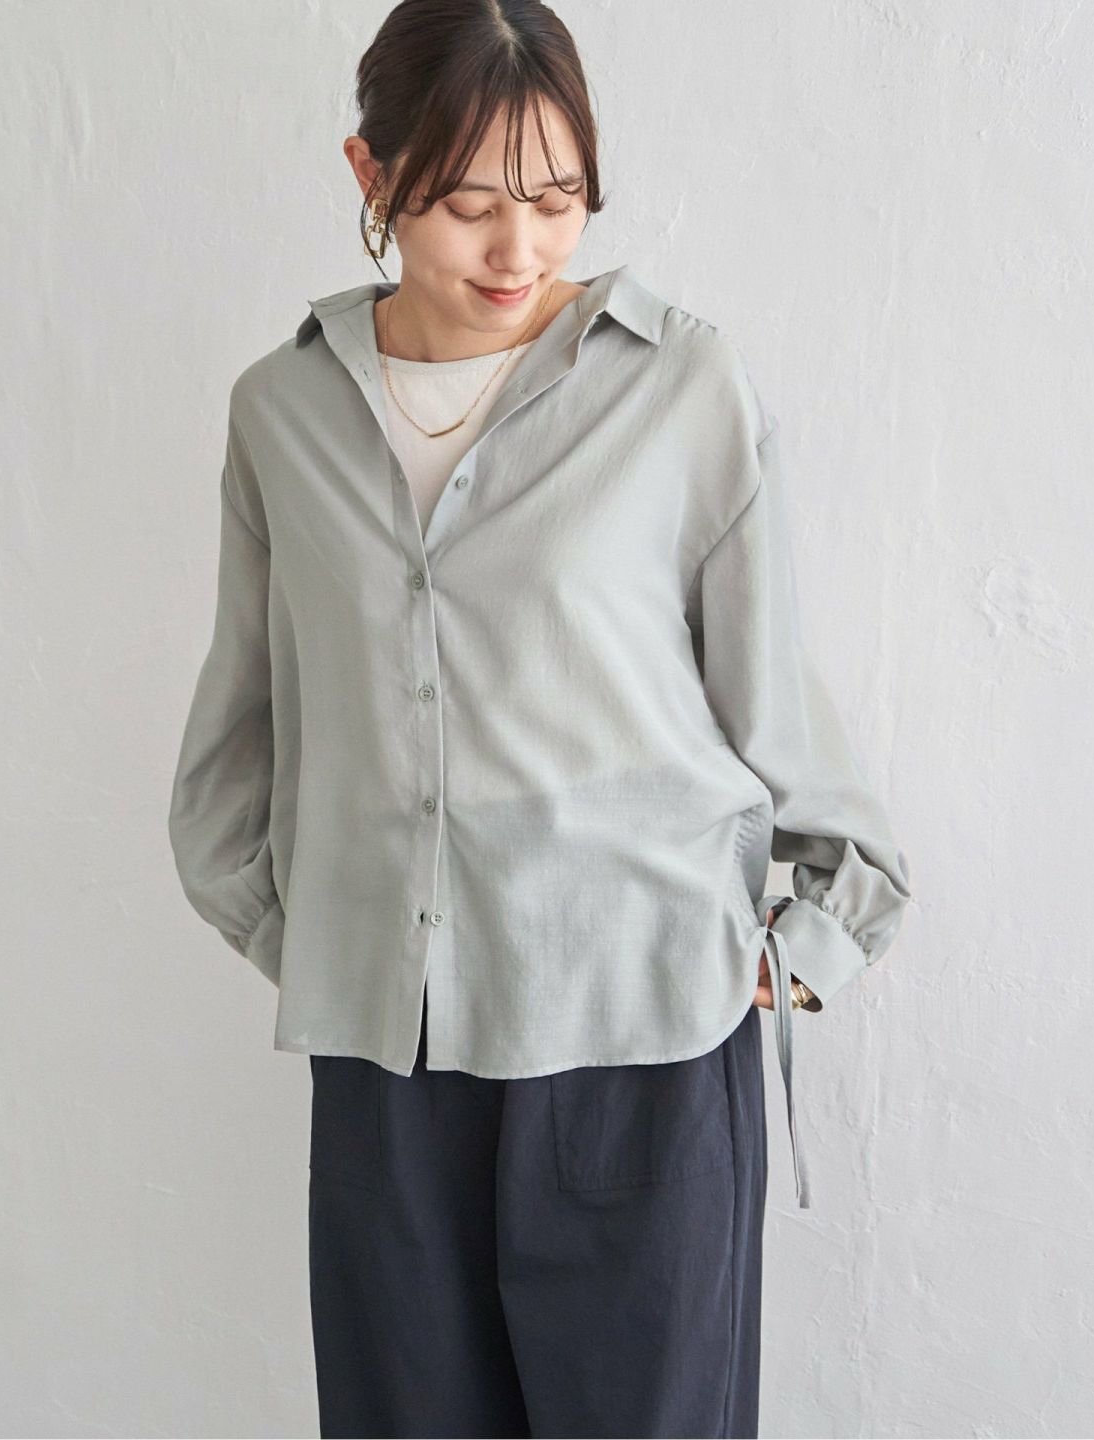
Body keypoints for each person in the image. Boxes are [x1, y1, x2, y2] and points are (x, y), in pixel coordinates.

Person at [167, 2, 912, 1435]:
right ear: (372, 173)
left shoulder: (679, 385)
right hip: (391, 1062)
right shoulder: (283, 413)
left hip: (643, 1038)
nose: (520, 250)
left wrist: (813, 937)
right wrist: (329, 941)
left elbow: (772, 693)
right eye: (469, 206)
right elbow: (236, 744)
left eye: (561, 198)